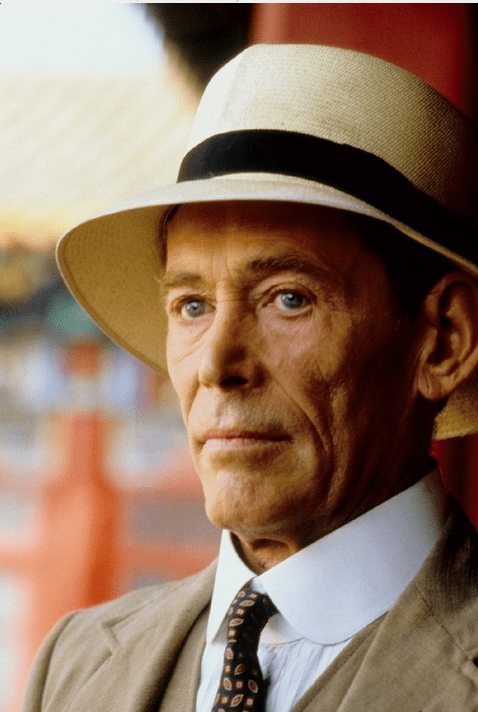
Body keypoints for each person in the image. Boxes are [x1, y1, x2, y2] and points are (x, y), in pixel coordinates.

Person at [23, 44, 478, 712]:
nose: (216, 364)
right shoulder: (79, 661)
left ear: (443, 340)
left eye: (288, 298)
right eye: (192, 307)